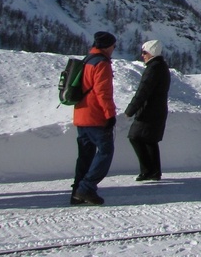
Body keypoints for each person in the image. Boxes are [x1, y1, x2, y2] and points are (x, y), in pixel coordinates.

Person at [70, 31, 118, 205]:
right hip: (96, 116)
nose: (114, 49)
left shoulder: (87, 60)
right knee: (105, 153)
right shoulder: (102, 64)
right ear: (107, 46)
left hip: (81, 114)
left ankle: (77, 191)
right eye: (114, 45)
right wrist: (110, 115)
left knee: (85, 155)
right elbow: (103, 92)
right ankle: (86, 188)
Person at [124, 40, 171, 182]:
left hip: (149, 111)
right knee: (149, 140)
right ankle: (153, 171)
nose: (142, 55)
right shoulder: (161, 66)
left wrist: (130, 110)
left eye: (144, 52)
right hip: (157, 110)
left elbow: (143, 91)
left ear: (151, 53)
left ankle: (148, 170)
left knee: (135, 137)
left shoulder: (153, 68)